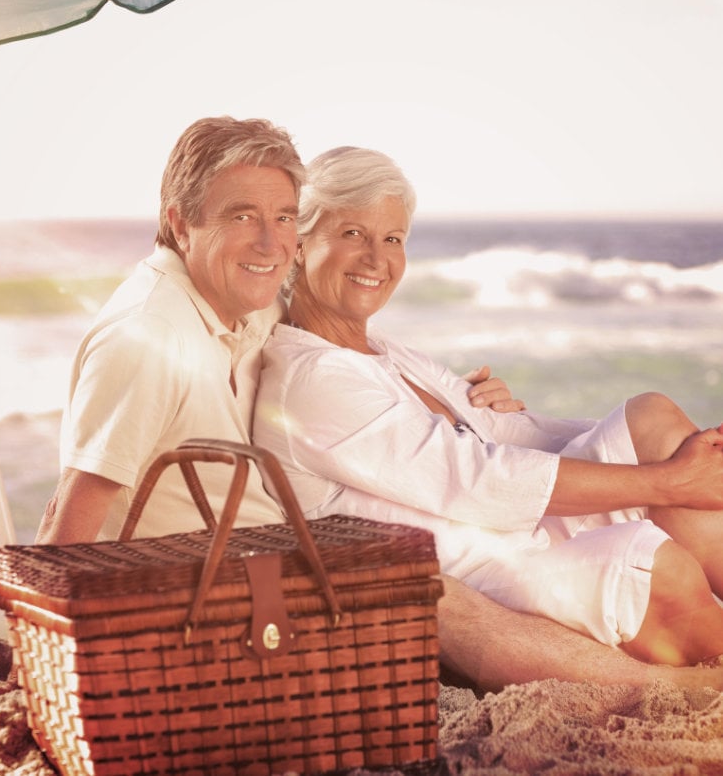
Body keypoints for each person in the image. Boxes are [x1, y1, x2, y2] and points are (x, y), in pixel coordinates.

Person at [253, 145, 723, 679]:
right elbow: (475, 478)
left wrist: (676, 462)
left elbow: (509, 432)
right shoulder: (311, 379)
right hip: (493, 570)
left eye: (393, 239)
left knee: (653, 419)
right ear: (299, 245)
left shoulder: (382, 350)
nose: (377, 260)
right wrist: (668, 483)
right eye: (353, 233)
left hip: (525, 525)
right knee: (662, 569)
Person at [34, 116, 512, 545]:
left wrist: (457, 405)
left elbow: (344, 357)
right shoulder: (150, 336)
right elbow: (69, 520)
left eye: (283, 218)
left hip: (270, 566)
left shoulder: (253, 306)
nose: (270, 244)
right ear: (181, 225)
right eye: (242, 216)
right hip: (198, 595)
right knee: (452, 587)